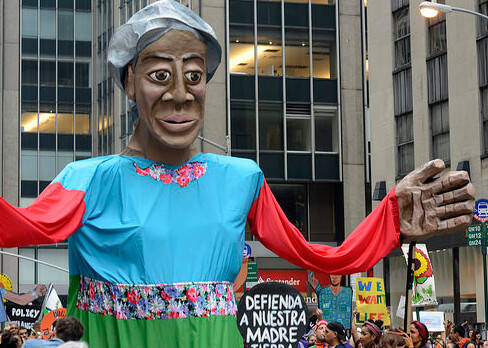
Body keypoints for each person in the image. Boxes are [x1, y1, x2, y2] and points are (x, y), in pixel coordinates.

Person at [0, 0, 475, 347]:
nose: (181, 94)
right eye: (160, 75)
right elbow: (17, 226)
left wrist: (390, 220)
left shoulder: (240, 178)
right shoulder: (89, 179)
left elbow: (320, 257)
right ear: (128, 82)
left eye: (195, 74)